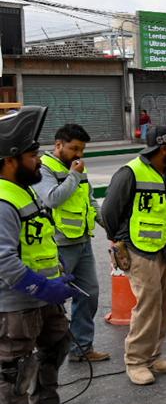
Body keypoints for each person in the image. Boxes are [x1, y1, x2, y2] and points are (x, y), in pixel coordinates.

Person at [0, 106, 85, 404]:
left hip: (43, 299)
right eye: (32, 156)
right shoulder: (3, 200)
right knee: (14, 369)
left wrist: (57, 277)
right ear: (10, 160)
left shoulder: (25, 190)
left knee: (57, 343)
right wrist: (44, 288)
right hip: (16, 304)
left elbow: (39, 242)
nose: (39, 161)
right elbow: (4, 260)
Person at [101, 126, 166, 386]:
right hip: (140, 250)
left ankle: (153, 356)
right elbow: (109, 212)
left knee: (164, 305)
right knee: (148, 306)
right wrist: (120, 240)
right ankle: (136, 361)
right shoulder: (130, 173)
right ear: (164, 149)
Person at [34, 124, 107, 363]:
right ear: (58, 145)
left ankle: (82, 348)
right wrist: (74, 175)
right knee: (53, 301)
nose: (79, 154)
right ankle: (45, 355)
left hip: (82, 241)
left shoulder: (77, 168)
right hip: (58, 245)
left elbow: (90, 201)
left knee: (89, 294)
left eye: (82, 149)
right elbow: (52, 199)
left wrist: (110, 226)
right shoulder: (44, 168)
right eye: (74, 148)